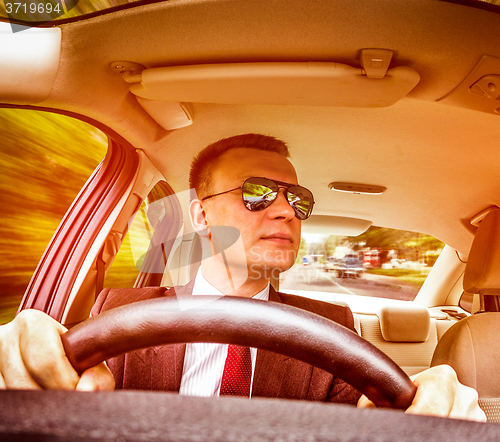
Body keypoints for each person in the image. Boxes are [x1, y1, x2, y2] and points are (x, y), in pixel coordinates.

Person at [0, 133, 485, 421]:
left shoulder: (335, 326)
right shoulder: (117, 311)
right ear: (200, 215)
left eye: (297, 200)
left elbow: (366, 421)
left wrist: (431, 411)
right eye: (256, 192)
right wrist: (22, 359)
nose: (286, 212)